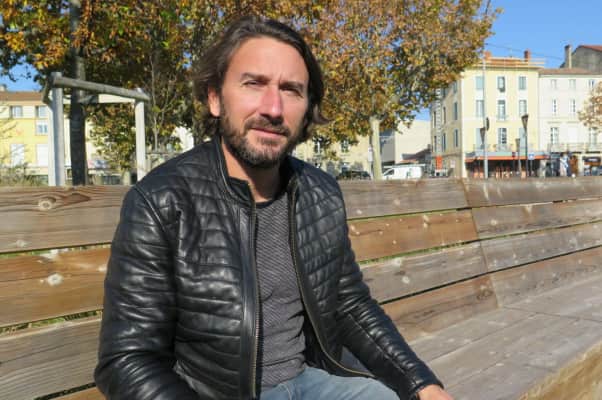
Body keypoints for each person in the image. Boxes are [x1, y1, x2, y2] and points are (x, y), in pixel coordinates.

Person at [95, 16, 452, 400]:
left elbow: (350, 305)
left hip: (311, 382)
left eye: (291, 90)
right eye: (254, 83)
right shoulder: (161, 201)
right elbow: (127, 359)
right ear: (215, 98)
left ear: (307, 108)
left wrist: (422, 383)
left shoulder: (319, 193)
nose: (273, 108)